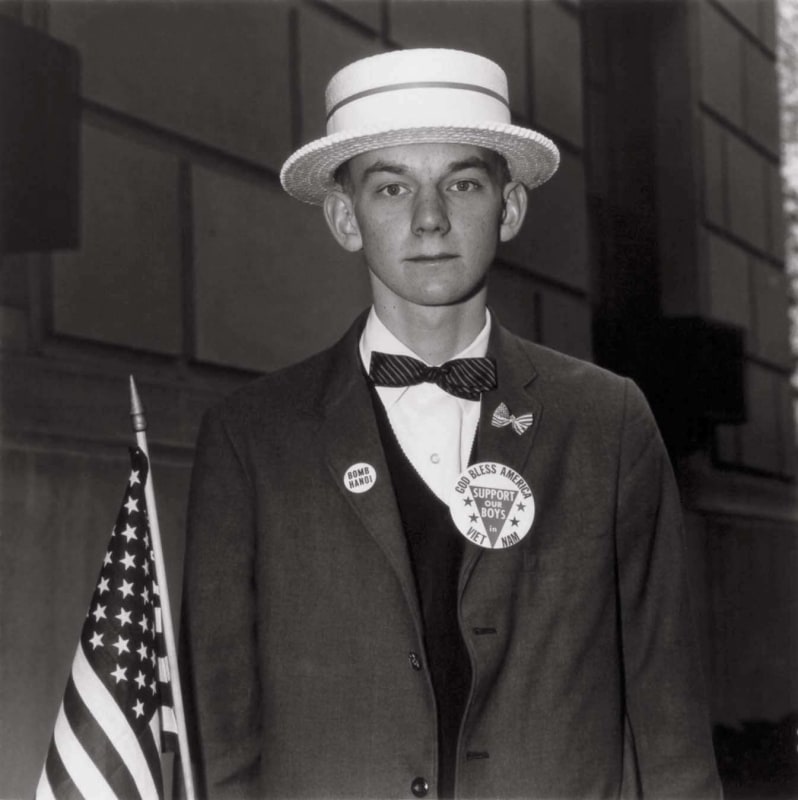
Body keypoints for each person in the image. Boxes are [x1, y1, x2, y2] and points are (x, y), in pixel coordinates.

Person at [179, 48, 721, 799]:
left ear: (510, 206)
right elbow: (220, 732)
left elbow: (669, 720)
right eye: (391, 186)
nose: (429, 218)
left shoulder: (607, 423)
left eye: (462, 183)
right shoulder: (253, 439)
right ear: (344, 217)